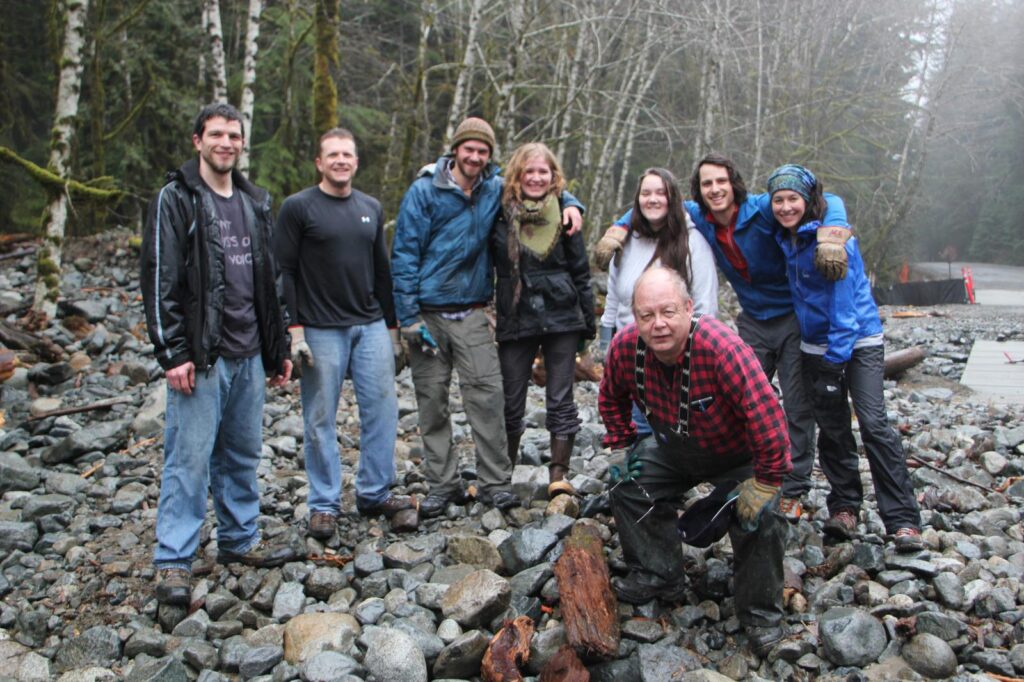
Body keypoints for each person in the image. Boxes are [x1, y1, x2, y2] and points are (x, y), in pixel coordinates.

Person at [596, 154, 852, 522]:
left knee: (792, 405)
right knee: (722, 403)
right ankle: (694, 480)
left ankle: (787, 487)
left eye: (721, 182)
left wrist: (833, 235)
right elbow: (651, 203)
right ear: (697, 192)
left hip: (790, 317)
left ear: (734, 183)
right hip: (747, 320)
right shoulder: (695, 215)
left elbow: (828, 200)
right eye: (706, 184)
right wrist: (617, 228)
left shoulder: (761, 208)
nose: (714, 190)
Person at [140, 103, 296, 607]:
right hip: (202, 357)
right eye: (216, 134)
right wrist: (173, 353)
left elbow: (269, 281)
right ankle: (173, 559)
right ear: (197, 140)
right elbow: (160, 277)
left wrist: (279, 349)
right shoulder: (177, 198)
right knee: (188, 459)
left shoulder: (254, 201)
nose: (226, 142)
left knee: (243, 454)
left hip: (250, 353)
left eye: (234, 135)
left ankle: (238, 539)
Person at [391, 117, 583, 517]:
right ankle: (442, 485)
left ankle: (495, 482)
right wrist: (407, 317)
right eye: (469, 149)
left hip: (474, 312)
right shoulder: (425, 191)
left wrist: (572, 204)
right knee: (432, 403)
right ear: (455, 149)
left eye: (482, 151)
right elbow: (404, 254)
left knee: (488, 399)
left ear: (489, 156)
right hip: (427, 315)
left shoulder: (495, 190)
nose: (475, 156)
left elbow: (542, 193)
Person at [599, 267, 791, 656]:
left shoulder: (722, 348)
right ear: (635, 317)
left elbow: (768, 417)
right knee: (625, 485)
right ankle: (658, 574)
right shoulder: (623, 349)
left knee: (762, 515)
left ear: (689, 307)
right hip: (673, 449)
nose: (658, 325)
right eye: (647, 315)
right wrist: (620, 446)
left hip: (738, 455)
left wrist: (767, 481)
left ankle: (760, 613)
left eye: (668, 312)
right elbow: (611, 397)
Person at [767, 164, 923, 552]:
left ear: (808, 200)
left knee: (873, 422)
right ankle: (845, 507)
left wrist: (835, 363)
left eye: (793, 199)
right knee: (833, 428)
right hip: (813, 347)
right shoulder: (784, 237)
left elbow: (844, 304)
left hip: (859, 343)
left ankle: (902, 519)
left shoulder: (834, 240)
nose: (786, 207)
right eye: (779, 200)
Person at [274, 128, 413, 540]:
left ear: (356, 161)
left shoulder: (369, 207)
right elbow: (286, 271)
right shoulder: (298, 208)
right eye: (332, 154)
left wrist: (392, 329)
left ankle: (374, 491)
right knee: (320, 417)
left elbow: (382, 273)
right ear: (319, 162)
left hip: (369, 325)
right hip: (319, 328)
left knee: (383, 411)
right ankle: (324, 503)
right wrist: (293, 330)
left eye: (347, 155)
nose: (340, 160)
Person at [490, 143, 595, 498]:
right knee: (509, 397)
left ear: (554, 177)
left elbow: (581, 270)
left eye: (543, 172)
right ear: (517, 175)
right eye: (528, 171)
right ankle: (500, 475)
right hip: (515, 315)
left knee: (561, 398)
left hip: (562, 315)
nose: (536, 178)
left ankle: (558, 475)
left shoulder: (566, 213)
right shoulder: (500, 212)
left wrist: (587, 324)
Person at [599, 168, 719, 437]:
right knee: (631, 424)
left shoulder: (693, 243)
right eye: (646, 193)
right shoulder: (626, 241)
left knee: (666, 428)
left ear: (672, 198)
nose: (652, 199)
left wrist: (691, 356)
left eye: (660, 193)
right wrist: (607, 340)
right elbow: (615, 296)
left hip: (672, 354)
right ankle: (636, 471)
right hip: (629, 351)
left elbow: (705, 306)